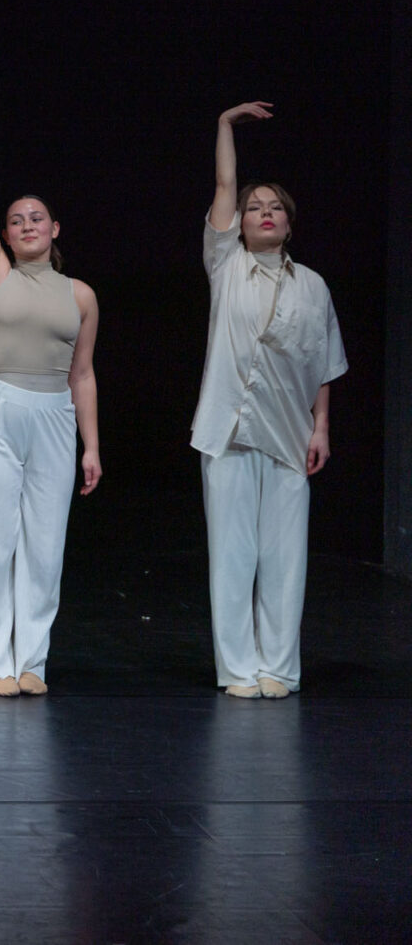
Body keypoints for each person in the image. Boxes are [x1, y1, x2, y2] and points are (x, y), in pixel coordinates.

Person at [191, 101, 345, 699]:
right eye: (255, 208)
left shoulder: (314, 286)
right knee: (233, 557)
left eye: (273, 206)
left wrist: (321, 425)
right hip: (228, 428)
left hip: (287, 431)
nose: (262, 213)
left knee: (285, 562)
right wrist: (224, 125)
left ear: (289, 221)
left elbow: (324, 360)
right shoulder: (225, 264)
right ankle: (237, 669)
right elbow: (225, 183)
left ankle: (278, 666)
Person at [0, 72, 101, 698]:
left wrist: (91, 445)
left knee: (44, 543)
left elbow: (83, 374)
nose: (24, 224)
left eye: (36, 217)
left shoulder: (81, 295)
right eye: (16, 220)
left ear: (55, 228)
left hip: (54, 414)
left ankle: (31, 660)